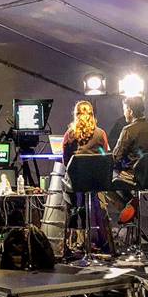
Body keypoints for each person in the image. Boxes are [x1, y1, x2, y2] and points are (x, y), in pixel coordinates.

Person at [62, 101, 113, 253]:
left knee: (66, 189)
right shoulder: (101, 133)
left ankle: (76, 240)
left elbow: (66, 161)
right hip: (98, 183)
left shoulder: (69, 135)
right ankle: (102, 240)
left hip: (77, 184)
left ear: (76, 115)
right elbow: (105, 157)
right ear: (92, 115)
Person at [111, 96, 148, 223]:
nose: (124, 113)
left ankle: (128, 210)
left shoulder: (128, 130)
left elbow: (116, 157)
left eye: (124, 109)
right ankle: (131, 206)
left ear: (130, 111)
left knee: (104, 181)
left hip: (134, 176)